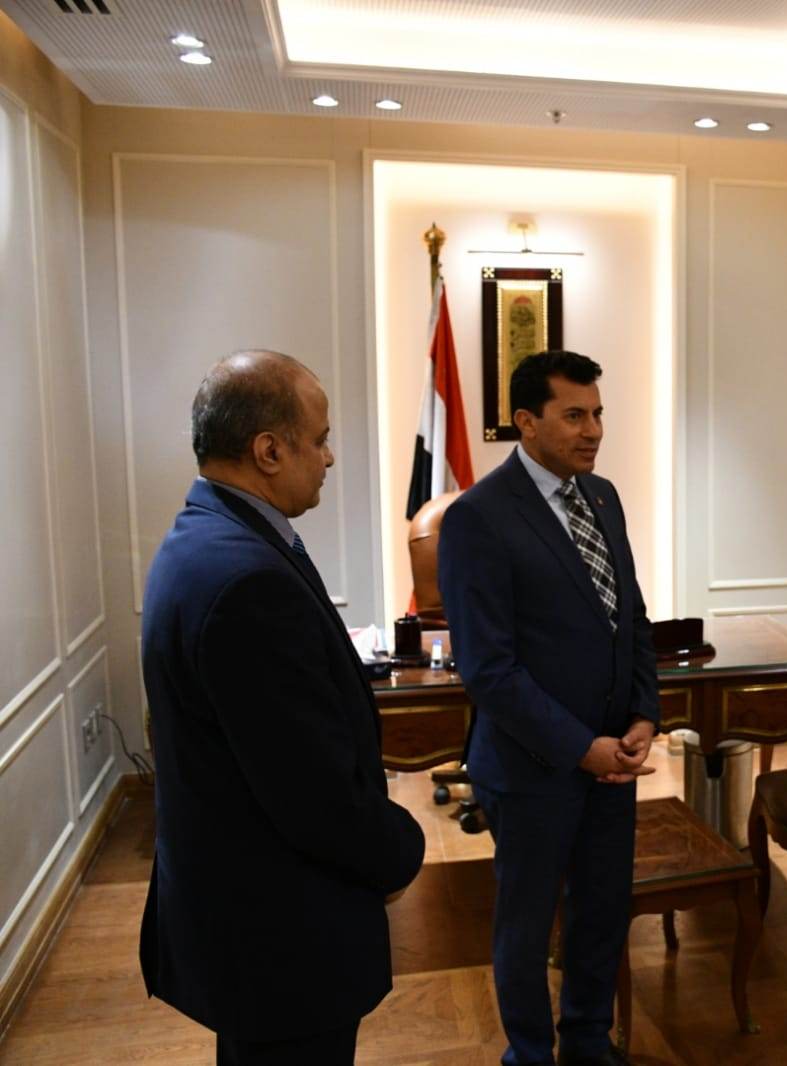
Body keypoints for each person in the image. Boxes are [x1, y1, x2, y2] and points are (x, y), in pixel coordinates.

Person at [140, 350, 425, 1065]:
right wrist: (401, 850)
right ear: (269, 450)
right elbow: (311, 795)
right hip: (281, 938)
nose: (329, 458)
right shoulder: (245, 580)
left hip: (243, 923)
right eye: (320, 439)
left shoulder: (205, 536)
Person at [439, 349, 659, 1066]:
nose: (594, 430)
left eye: (597, 414)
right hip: (531, 768)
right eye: (574, 415)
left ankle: (588, 1043)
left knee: (601, 914)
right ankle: (530, 1056)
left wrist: (643, 716)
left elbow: (631, 619)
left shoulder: (603, 497)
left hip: (612, 761)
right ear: (526, 422)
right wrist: (580, 748)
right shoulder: (477, 517)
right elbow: (488, 670)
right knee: (527, 927)